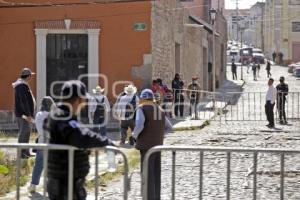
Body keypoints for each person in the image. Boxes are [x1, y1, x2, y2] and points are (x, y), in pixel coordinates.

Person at [44, 80, 114, 200]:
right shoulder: (62, 117)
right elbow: (80, 136)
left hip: (64, 180)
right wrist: (106, 142)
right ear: (78, 99)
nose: (84, 103)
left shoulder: (59, 115)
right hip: (65, 183)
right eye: (83, 100)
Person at [132, 89, 173, 200]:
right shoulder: (159, 109)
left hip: (146, 146)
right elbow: (169, 127)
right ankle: (156, 196)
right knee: (156, 172)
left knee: (146, 172)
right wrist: (159, 134)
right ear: (152, 98)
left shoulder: (141, 108)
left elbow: (139, 125)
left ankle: (148, 197)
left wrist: (134, 135)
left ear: (142, 98)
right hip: (157, 145)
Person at [28, 96, 55, 193]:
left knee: (38, 165)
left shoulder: (39, 114)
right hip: (54, 143)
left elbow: (40, 128)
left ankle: (33, 185)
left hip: (42, 142)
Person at [12, 67, 36, 159]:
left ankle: (26, 152)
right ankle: (22, 153)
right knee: (24, 132)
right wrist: (28, 114)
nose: (31, 77)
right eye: (30, 75)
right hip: (23, 114)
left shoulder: (22, 85)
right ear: (28, 76)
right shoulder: (21, 86)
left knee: (26, 132)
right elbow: (23, 101)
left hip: (24, 114)